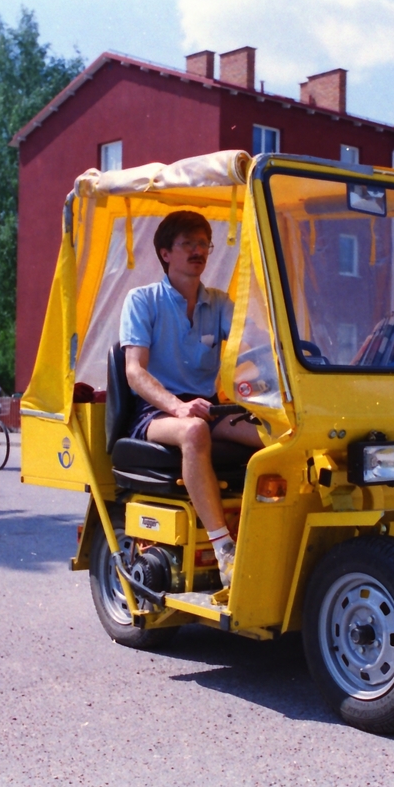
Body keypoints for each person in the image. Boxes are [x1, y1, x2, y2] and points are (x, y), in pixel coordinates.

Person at [120, 211, 262, 589]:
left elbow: (258, 343)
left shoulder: (218, 303)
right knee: (195, 431)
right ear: (166, 253)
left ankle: (265, 536)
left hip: (208, 407)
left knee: (278, 436)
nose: (199, 251)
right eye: (188, 244)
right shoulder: (142, 300)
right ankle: (225, 551)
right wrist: (178, 407)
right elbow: (135, 372)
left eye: (204, 244)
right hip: (156, 411)